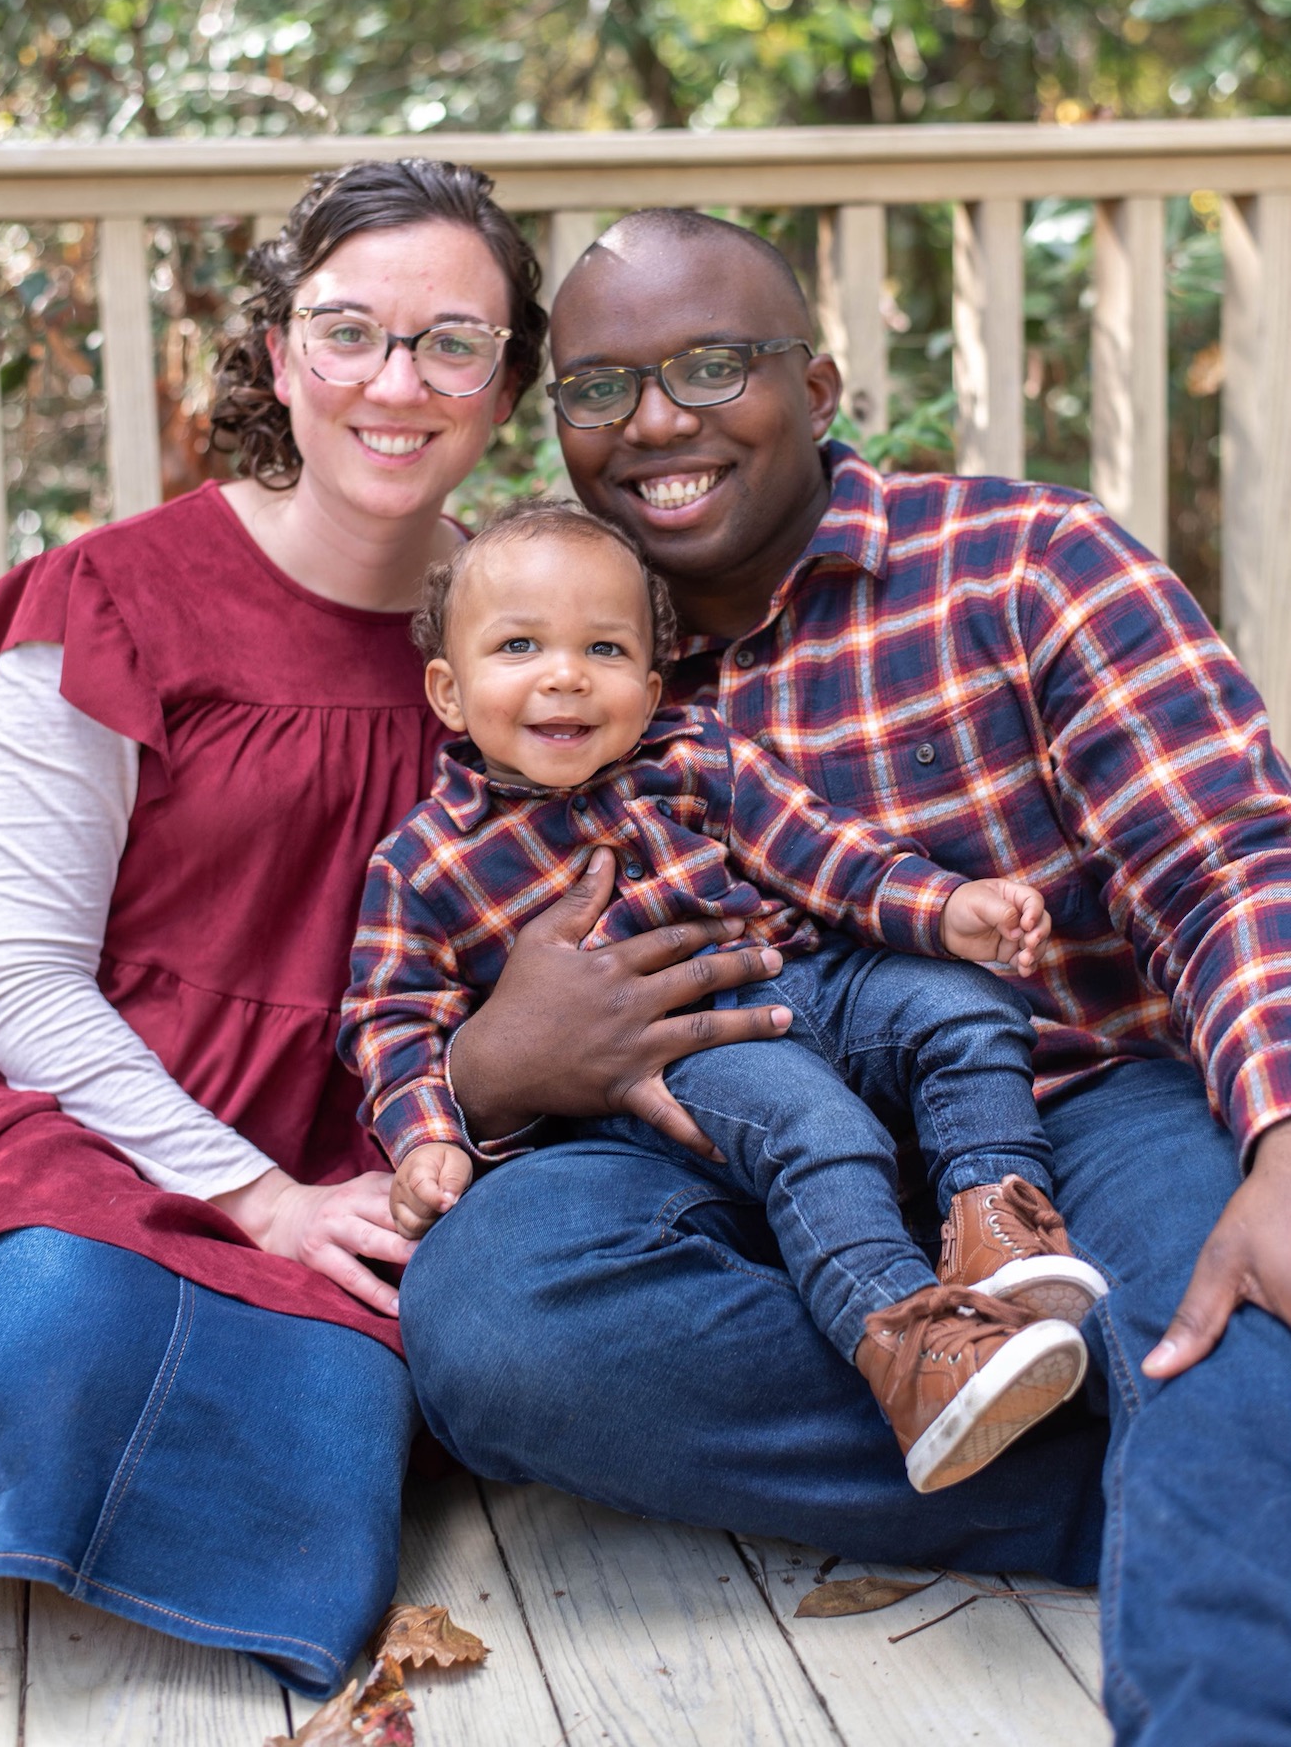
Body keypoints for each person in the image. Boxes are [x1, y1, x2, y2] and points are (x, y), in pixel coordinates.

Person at [399, 208, 1291, 1745]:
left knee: (1237, 1300)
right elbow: (425, 933)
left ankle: (1204, 1582)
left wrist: (1282, 1135)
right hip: (713, 1136)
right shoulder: (561, 636)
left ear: (816, 390)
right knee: (495, 1321)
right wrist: (481, 1073)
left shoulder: (1025, 563)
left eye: (711, 365)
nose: (656, 419)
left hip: (1069, 1100)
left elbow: (1224, 859)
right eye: (601, 387)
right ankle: (1150, 1466)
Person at [0, 157, 556, 1695]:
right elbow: (13, 979)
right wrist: (255, 1196)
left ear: (507, 385)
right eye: (348, 332)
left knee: (331, 1422)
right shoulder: (113, 598)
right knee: (45, 1327)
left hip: (359, 1133)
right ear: (280, 357)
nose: (393, 385)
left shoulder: (522, 631)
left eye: (450, 344)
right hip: (63, 1096)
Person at [343, 497, 1105, 1494]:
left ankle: (995, 1220)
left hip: (807, 978)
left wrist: (946, 905)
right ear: (447, 689)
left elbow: (820, 848)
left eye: (603, 647)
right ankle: (910, 1344)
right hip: (675, 1051)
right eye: (519, 644)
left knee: (957, 1002)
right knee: (812, 1122)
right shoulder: (424, 861)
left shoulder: (692, 755)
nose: (565, 672)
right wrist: (427, 1131)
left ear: (649, 683)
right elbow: (391, 1012)